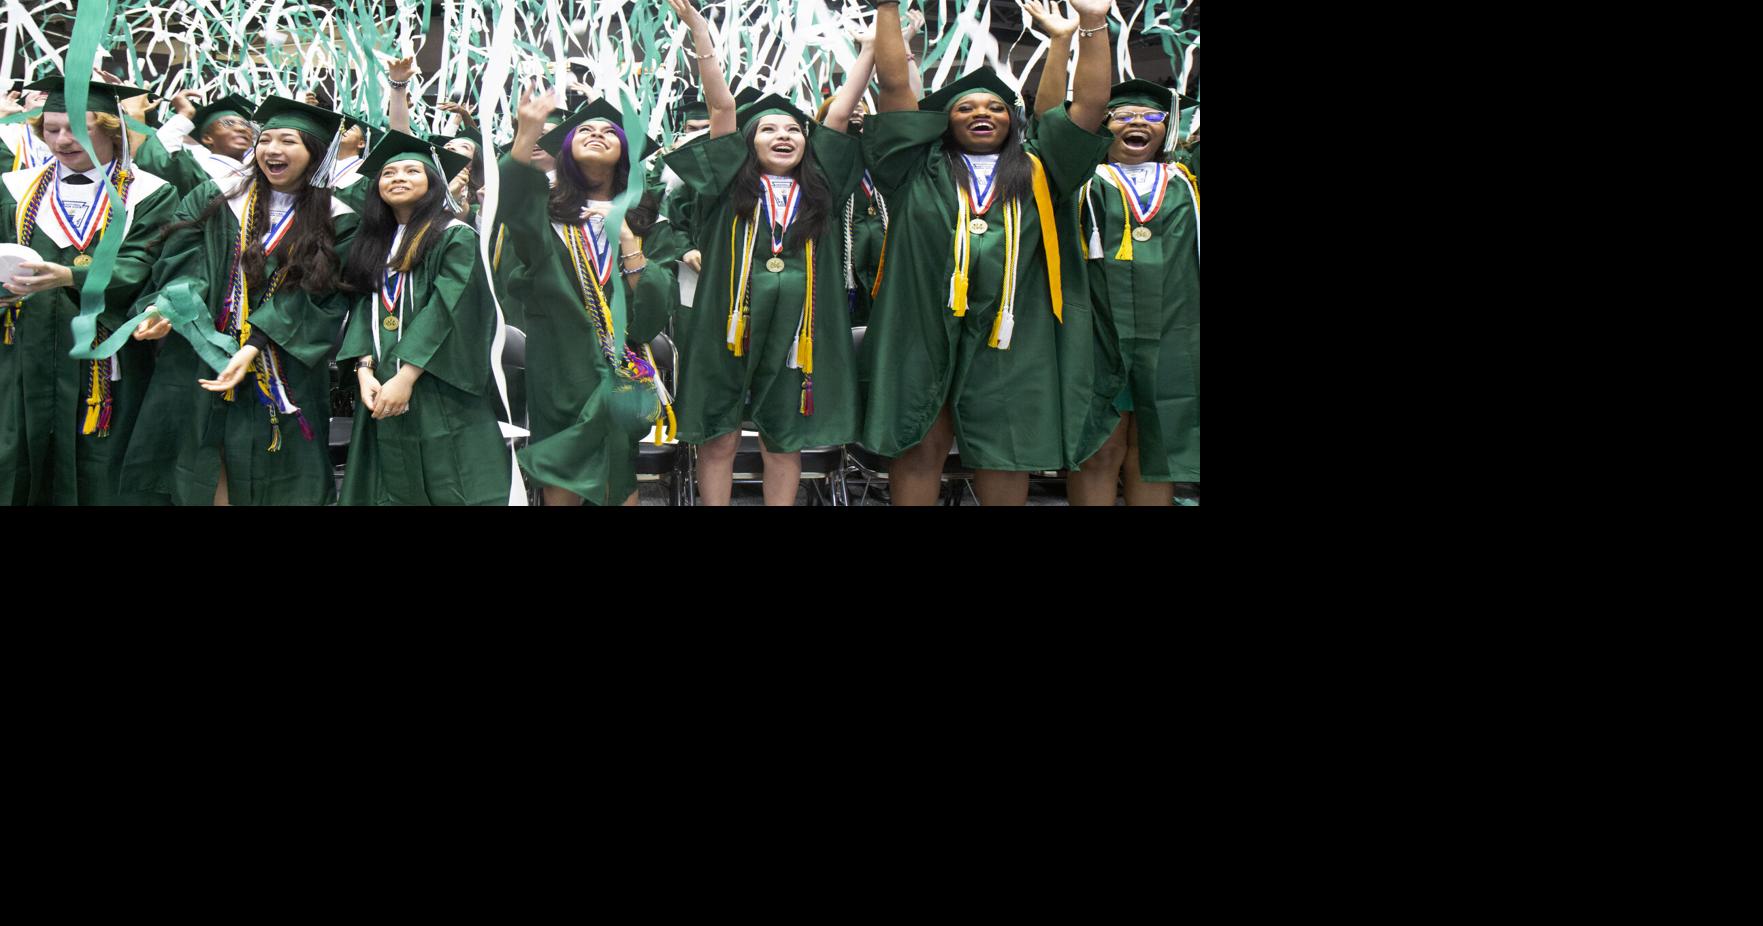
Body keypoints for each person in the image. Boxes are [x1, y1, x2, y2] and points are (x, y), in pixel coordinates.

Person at [858, 0, 1117, 505]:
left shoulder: (1041, 172)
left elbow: (1085, 110)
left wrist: (1090, 25)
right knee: (917, 443)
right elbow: (893, 88)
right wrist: (887, 8)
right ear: (945, 122)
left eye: (996, 106)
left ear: (1012, 121)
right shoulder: (915, 170)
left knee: (1006, 450)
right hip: (922, 325)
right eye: (966, 107)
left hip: (1011, 335)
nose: (982, 112)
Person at [664, 0, 866, 506]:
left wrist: (866, 52)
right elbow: (722, 108)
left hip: (800, 330)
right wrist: (700, 30)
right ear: (748, 144)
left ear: (807, 142)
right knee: (719, 436)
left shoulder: (823, 191)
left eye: (794, 129)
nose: (783, 135)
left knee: (784, 439)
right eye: (770, 129)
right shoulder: (726, 185)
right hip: (727, 325)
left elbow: (840, 112)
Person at [123, 95, 358, 505]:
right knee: (201, 459)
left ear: (316, 155)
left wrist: (253, 346)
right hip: (203, 353)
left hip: (283, 366)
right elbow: (183, 262)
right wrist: (167, 306)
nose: (273, 150)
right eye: (266, 139)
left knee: (280, 469)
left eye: (289, 141)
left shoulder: (339, 219)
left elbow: (322, 297)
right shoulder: (214, 198)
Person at [496, 89, 679, 506]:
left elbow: (652, 315)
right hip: (558, 363)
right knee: (562, 471)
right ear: (565, 151)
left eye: (608, 131)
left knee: (619, 474)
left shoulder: (650, 223)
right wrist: (526, 133)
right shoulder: (545, 215)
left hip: (620, 367)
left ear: (626, 154)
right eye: (585, 130)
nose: (596, 133)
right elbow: (513, 204)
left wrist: (628, 240)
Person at [0, 78, 178, 504]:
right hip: (24, 359)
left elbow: (141, 267)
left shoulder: (149, 194)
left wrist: (69, 277)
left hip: (109, 364)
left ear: (112, 129)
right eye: (52, 128)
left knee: (104, 472)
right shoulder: (14, 191)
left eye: (78, 129)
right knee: (18, 467)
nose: (62, 140)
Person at [335, 130, 511, 504]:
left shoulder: (453, 236)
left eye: (412, 171)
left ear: (433, 183)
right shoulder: (374, 242)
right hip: (382, 381)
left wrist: (406, 375)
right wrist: (364, 369)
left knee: (449, 479)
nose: (398, 178)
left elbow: (450, 306)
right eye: (388, 172)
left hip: (436, 382)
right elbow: (364, 304)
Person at [1064, 78, 1200, 506]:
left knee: (1154, 451)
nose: (1137, 122)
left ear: (1167, 127)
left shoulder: (1187, 183)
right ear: (1103, 126)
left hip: (1175, 336)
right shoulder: (1083, 182)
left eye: (1150, 116)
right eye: (1123, 115)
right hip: (1098, 335)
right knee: (1100, 448)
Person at [133, 91, 257, 195]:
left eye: (246, 124)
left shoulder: (259, 177)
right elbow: (157, 159)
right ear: (207, 138)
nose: (241, 128)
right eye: (228, 123)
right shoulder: (196, 173)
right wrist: (185, 114)